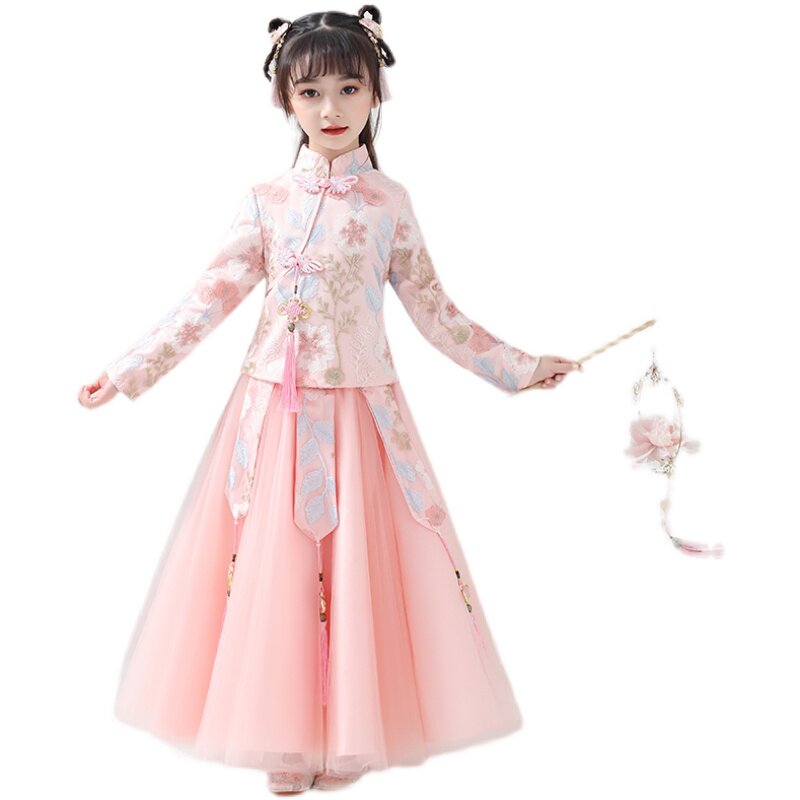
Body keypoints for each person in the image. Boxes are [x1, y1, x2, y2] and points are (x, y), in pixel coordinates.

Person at [78, 6, 578, 794]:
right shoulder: (266, 201)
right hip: (275, 416)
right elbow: (207, 300)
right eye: (310, 93)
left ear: (377, 93)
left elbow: (435, 312)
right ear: (284, 99)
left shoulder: (389, 203)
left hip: (364, 419)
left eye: (350, 88)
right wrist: (129, 369)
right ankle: (282, 741)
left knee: (356, 570)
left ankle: (347, 734)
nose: (332, 109)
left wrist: (520, 367)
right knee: (276, 569)